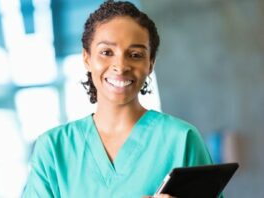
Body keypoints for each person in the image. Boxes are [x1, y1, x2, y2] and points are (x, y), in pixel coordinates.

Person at [23, 1, 213, 197]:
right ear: (87, 58)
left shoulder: (182, 140)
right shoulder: (54, 148)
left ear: (151, 64)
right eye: (106, 52)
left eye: (135, 54)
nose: (121, 66)